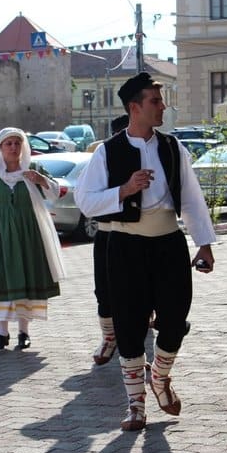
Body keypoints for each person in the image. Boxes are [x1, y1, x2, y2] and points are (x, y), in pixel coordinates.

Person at [75, 72, 217, 431]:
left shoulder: (172, 147)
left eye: (161, 100)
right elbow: (85, 201)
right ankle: (136, 405)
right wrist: (123, 190)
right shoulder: (108, 151)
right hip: (126, 246)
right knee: (129, 324)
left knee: (175, 319)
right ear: (134, 107)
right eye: (156, 101)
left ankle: (160, 377)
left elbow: (192, 198)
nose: (163, 106)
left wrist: (203, 243)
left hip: (169, 243)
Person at [0, 127, 65, 350]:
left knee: (25, 278)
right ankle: (1, 333)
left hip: (28, 233)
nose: (13, 147)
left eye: (17, 143)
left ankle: (23, 332)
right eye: (8, 143)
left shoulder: (33, 169)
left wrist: (41, 180)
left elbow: (55, 193)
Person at [87, 114, 129, 366]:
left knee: (137, 289)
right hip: (107, 231)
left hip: (139, 232)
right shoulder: (103, 156)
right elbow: (87, 199)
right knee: (103, 289)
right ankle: (108, 337)